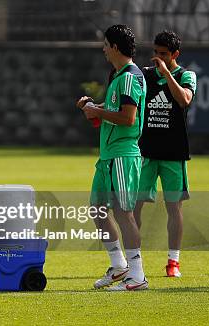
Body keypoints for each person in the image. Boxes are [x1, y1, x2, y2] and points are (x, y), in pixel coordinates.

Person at [76, 24, 148, 291]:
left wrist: (97, 112)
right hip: (109, 156)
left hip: (122, 155)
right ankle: (119, 266)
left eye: (106, 44)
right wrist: (94, 107)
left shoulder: (129, 77)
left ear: (115, 47)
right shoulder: (119, 76)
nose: (103, 49)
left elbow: (129, 119)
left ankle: (137, 275)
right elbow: (118, 108)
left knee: (123, 213)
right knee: (97, 209)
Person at [134, 31, 197, 278]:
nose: (157, 58)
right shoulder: (145, 75)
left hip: (174, 154)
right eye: (155, 53)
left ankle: (173, 262)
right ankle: (133, 260)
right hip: (146, 153)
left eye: (163, 54)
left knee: (174, 209)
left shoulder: (186, 75)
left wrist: (167, 74)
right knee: (133, 208)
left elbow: (184, 100)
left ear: (175, 55)